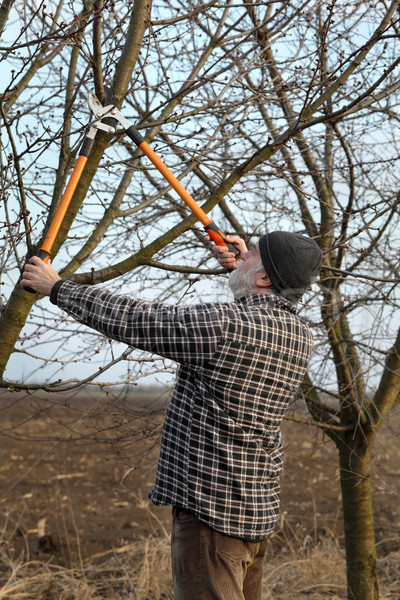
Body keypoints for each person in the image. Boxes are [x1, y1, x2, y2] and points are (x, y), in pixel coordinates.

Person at [21, 231, 322, 600]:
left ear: (263, 279)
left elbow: (139, 320)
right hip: (253, 515)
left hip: (211, 521)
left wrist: (57, 288)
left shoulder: (226, 326)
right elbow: (253, 317)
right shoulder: (299, 334)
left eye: (251, 254)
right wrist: (246, 268)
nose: (241, 255)